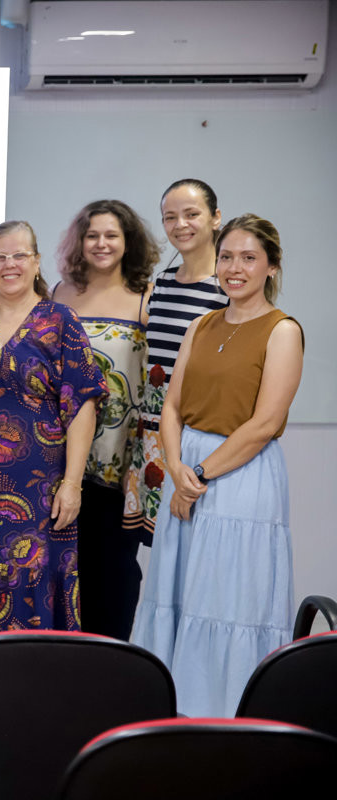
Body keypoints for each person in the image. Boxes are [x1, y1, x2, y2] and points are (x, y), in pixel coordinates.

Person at [132, 215, 303, 718]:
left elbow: (266, 421)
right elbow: (171, 406)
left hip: (239, 476)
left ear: (271, 267)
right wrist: (177, 468)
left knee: (230, 597)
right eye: (227, 256)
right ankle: (176, 712)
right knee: (179, 591)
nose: (234, 268)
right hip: (186, 468)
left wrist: (199, 475)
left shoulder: (282, 330)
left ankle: (228, 712)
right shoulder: (202, 324)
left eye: (248, 258)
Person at [0, 221, 104, 639]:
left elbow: (84, 402)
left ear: (35, 262)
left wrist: (72, 484)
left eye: (19, 255)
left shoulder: (59, 320)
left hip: (41, 482)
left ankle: (35, 689)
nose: (9, 264)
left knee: (33, 573)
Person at [52, 199, 159, 640]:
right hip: (60, 459)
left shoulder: (146, 297)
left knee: (115, 570)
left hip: (121, 462)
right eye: (92, 235)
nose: (101, 244)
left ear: (127, 241)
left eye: (111, 235)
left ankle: (111, 661)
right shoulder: (57, 293)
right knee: (66, 564)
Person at [123, 179, 228, 539]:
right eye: (170, 217)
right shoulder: (163, 283)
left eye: (191, 214)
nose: (180, 225)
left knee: (200, 545)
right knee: (162, 549)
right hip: (154, 435)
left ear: (215, 218)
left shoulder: (229, 289)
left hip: (200, 435)